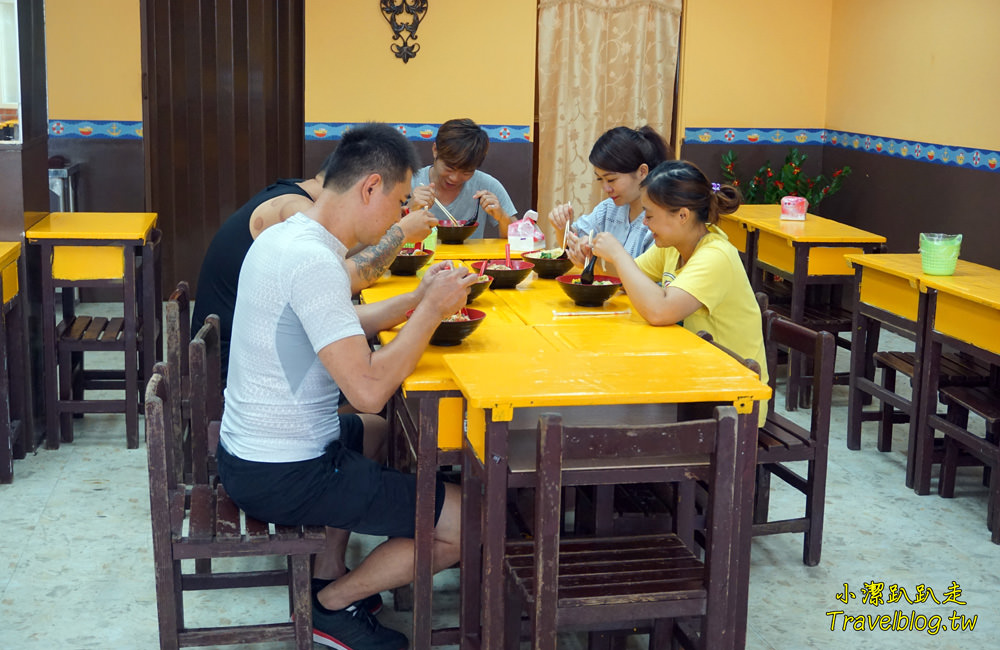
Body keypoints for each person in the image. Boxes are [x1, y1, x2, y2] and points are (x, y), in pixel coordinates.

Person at [216, 123, 478, 650]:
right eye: (401, 202)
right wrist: (428, 313)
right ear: (370, 188)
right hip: (285, 471)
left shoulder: (293, 238)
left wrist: (416, 297)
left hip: (251, 450)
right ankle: (331, 607)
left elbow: (341, 324)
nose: (402, 217)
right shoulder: (313, 260)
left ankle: (326, 571)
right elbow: (367, 389)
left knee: (377, 434)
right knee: (473, 520)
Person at [191, 161, 438, 374]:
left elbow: (340, 255)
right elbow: (344, 278)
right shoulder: (294, 212)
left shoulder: (299, 192)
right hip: (233, 370)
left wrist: (418, 299)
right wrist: (399, 234)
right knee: (379, 396)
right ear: (367, 190)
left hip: (257, 348)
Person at [585, 159, 768, 422]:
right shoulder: (673, 247)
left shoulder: (716, 255)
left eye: (649, 216)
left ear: (683, 215)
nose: (645, 224)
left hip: (732, 401)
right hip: (694, 380)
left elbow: (660, 312)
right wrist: (596, 259)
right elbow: (628, 281)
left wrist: (617, 254)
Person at [549, 125, 671, 264]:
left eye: (611, 180)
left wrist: (596, 263)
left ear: (642, 172)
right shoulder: (609, 209)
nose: (606, 188)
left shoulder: (660, 221)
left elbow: (644, 278)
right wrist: (563, 227)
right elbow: (572, 247)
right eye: (600, 179)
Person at [409, 118, 517, 238]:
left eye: (466, 172)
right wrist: (410, 209)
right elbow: (386, 240)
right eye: (449, 168)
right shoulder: (409, 182)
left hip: (471, 257)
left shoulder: (488, 185)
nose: (455, 178)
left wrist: (502, 216)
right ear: (435, 150)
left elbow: (517, 238)